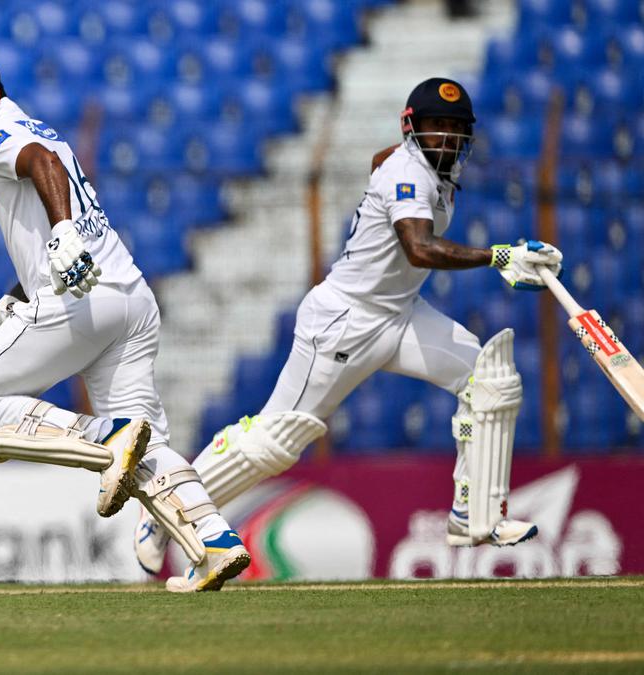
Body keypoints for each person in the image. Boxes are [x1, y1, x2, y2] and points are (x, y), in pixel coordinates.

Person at [134, 77, 565, 574]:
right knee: (276, 443)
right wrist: (500, 255)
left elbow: (380, 162)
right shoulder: (409, 174)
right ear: (413, 130)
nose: (445, 137)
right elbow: (419, 248)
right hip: (344, 321)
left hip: (400, 315)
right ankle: (165, 507)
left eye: (454, 128)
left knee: (489, 379)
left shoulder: (421, 169)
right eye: (435, 126)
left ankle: (476, 515)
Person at [0, 50, 249, 592]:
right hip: (128, 298)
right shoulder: (27, 125)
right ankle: (214, 539)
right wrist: (13, 298)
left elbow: (42, 165)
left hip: (79, 303)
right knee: (149, 446)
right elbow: (46, 220)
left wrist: (62, 236)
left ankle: (105, 436)